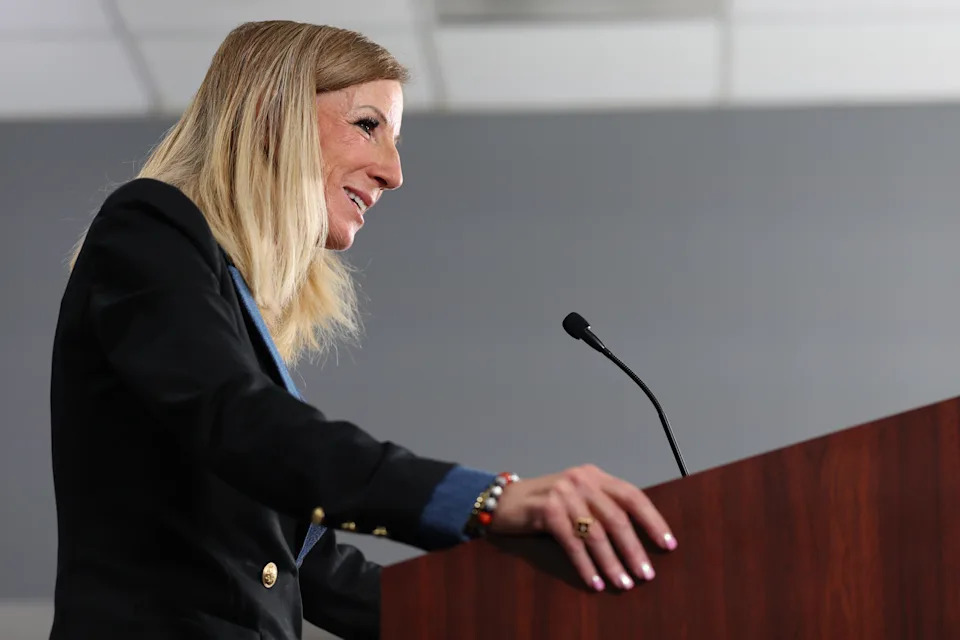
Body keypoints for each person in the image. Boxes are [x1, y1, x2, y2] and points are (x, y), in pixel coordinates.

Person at [49, 20, 677, 640]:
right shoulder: (147, 225)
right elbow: (242, 422)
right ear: (273, 112)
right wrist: (487, 500)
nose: (393, 172)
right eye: (369, 125)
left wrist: (534, 616)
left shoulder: (232, 317)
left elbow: (316, 574)